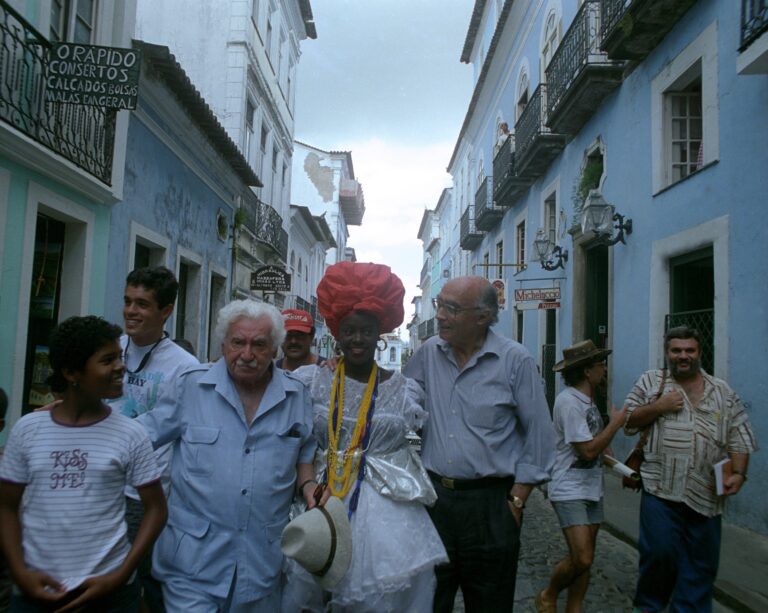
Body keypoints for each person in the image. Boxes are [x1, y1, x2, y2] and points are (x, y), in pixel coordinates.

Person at [282, 261, 447, 612]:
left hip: (387, 510)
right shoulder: (312, 380)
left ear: (379, 334)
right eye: (350, 331)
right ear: (337, 334)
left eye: (366, 331)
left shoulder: (405, 390)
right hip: (324, 495)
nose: (357, 339)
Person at [137, 300, 317, 611]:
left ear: (275, 349)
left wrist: (309, 486)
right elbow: (138, 438)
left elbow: (304, 451)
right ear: (223, 344)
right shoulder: (190, 386)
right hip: (192, 566)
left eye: (259, 345)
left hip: (262, 565)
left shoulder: (296, 395)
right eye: (238, 342)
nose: (247, 355)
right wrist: (85, 422)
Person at [404, 275, 556, 612]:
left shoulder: (514, 360)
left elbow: (541, 436)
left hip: (491, 505)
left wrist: (517, 501)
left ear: (483, 317)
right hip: (435, 502)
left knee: (490, 603)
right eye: (439, 304)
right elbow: (400, 396)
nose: (440, 315)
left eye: (452, 308)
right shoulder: (428, 353)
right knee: (429, 599)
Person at [0, 316, 167, 612]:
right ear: (71, 372)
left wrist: (121, 574)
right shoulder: (28, 430)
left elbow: (156, 508)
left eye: (119, 356)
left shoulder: (131, 433)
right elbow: (7, 506)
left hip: (111, 596)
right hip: (35, 594)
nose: (120, 367)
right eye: (107, 360)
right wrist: (21, 573)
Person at [625, 326, 757, 612]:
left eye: (689, 350)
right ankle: (648, 606)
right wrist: (659, 406)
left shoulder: (722, 391)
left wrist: (738, 473)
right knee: (659, 554)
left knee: (701, 566)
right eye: (676, 350)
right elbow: (628, 420)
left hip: (707, 494)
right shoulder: (651, 382)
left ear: (699, 352)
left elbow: (740, 436)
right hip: (661, 489)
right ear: (667, 352)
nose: (683, 356)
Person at [112, 266, 199, 612]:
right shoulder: (110, 347)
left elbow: (169, 428)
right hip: (103, 485)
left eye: (142, 304)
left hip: (144, 494)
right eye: (128, 301)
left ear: (165, 311)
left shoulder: (185, 367)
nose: (131, 311)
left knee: (139, 582)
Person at [537, 340, 627, 613]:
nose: (605, 369)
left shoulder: (588, 400)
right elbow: (587, 451)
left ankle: (574, 608)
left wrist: (620, 466)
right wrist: (615, 424)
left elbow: (596, 447)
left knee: (585, 556)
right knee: (583, 557)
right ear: (587, 371)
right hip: (569, 489)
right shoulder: (568, 402)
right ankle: (548, 594)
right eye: (601, 364)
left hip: (591, 488)